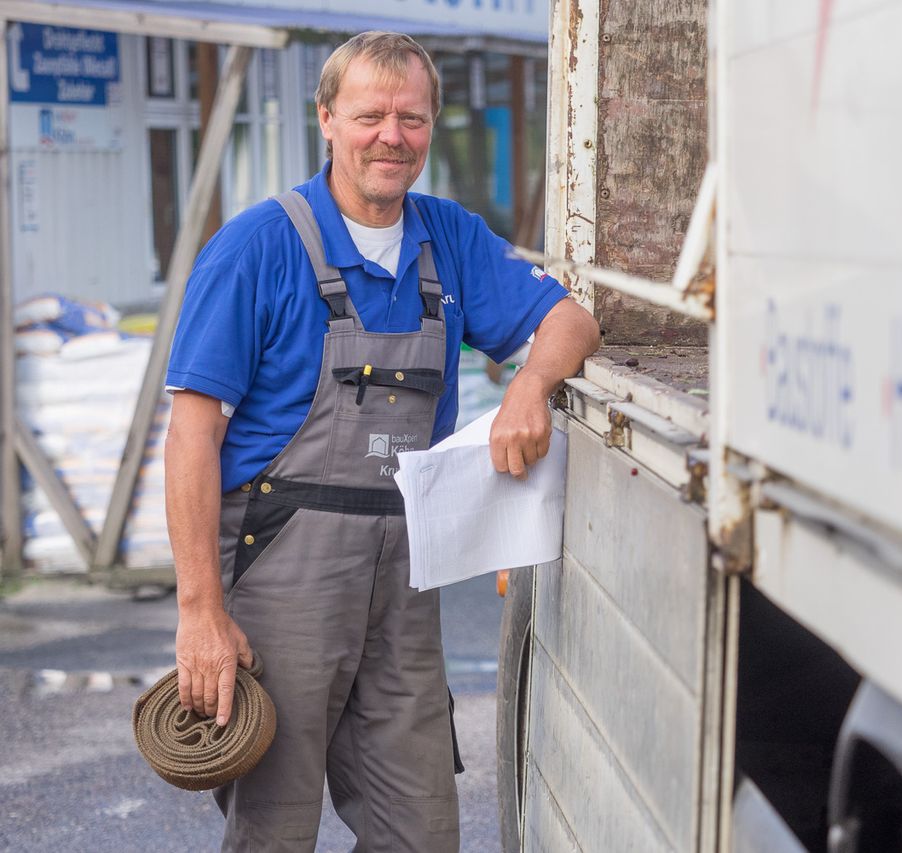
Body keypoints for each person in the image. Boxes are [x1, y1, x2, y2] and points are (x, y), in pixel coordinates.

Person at [164, 30, 599, 852]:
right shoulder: (257, 248)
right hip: (281, 571)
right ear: (325, 119)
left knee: (422, 828)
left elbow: (570, 319)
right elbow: (190, 436)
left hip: (404, 574)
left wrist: (528, 387)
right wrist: (200, 614)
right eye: (370, 116)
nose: (391, 136)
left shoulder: (449, 237)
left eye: (412, 117)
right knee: (274, 827)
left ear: (431, 125)